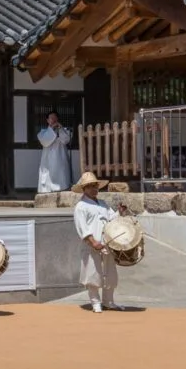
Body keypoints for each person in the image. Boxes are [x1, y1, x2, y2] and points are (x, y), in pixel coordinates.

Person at [72, 172, 129, 313]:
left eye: (95, 186)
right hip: (92, 245)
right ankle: (95, 302)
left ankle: (109, 301)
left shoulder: (103, 204)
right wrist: (92, 242)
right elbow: (82, 228)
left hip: (107, 243)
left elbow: (111, 219)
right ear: (84, 189)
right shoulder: (81, 206)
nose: (94, 189)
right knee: (93, 273)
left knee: (109, 273)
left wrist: (119, 212)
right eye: (90, 186)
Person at [37, 111, 72, 194]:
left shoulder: (64, 130)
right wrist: (52, 130)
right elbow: (45, 142)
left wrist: (60, 129)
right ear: (47, 120)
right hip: (47, 161)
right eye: (51, 118)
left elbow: (66, 140)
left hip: (61, 158)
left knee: (62, 175)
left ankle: (63, 188)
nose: (53, 120)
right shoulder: (42, 132)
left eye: (55, 118)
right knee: (48, 177)